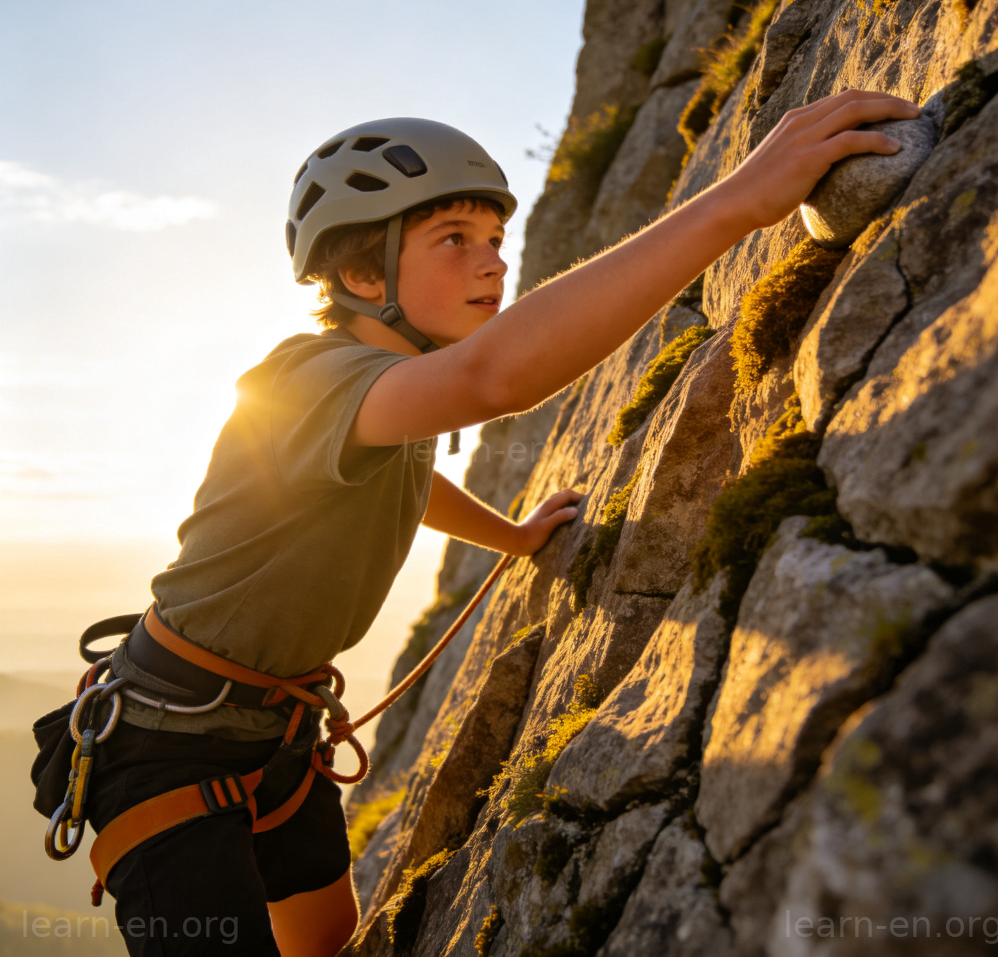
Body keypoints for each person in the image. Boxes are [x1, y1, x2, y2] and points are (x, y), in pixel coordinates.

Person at [65, 90, 919, 957]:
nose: (492, 265)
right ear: (363, 276)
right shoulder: (307, 376)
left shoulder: (380, 391)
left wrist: (512, 537)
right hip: (167, 738)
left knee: (322, 937)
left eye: (495, 240)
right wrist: (739, 200)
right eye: (454, 241)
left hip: (273, 722)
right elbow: (494, 378)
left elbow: (408, 479)